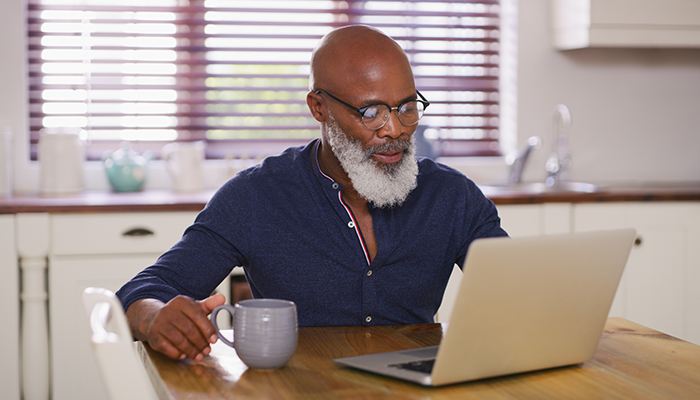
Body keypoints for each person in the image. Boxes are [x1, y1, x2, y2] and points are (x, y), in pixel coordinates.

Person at [116, 25, 508, 363]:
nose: (395, 129)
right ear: (319, 107)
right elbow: (141, 292)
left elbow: (519, 292)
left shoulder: (453, 196)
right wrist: (155, 318)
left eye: (407, 107)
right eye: (371, 112)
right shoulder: (256, 196)